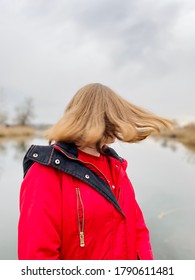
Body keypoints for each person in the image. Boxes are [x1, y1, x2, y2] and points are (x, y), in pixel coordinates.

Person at [18, 83, 171, 260]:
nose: (120, 125)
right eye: (115, 117)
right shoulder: (45, 173)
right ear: (99, 119)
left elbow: (138, 230)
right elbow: (37, 258)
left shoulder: (116, 168)